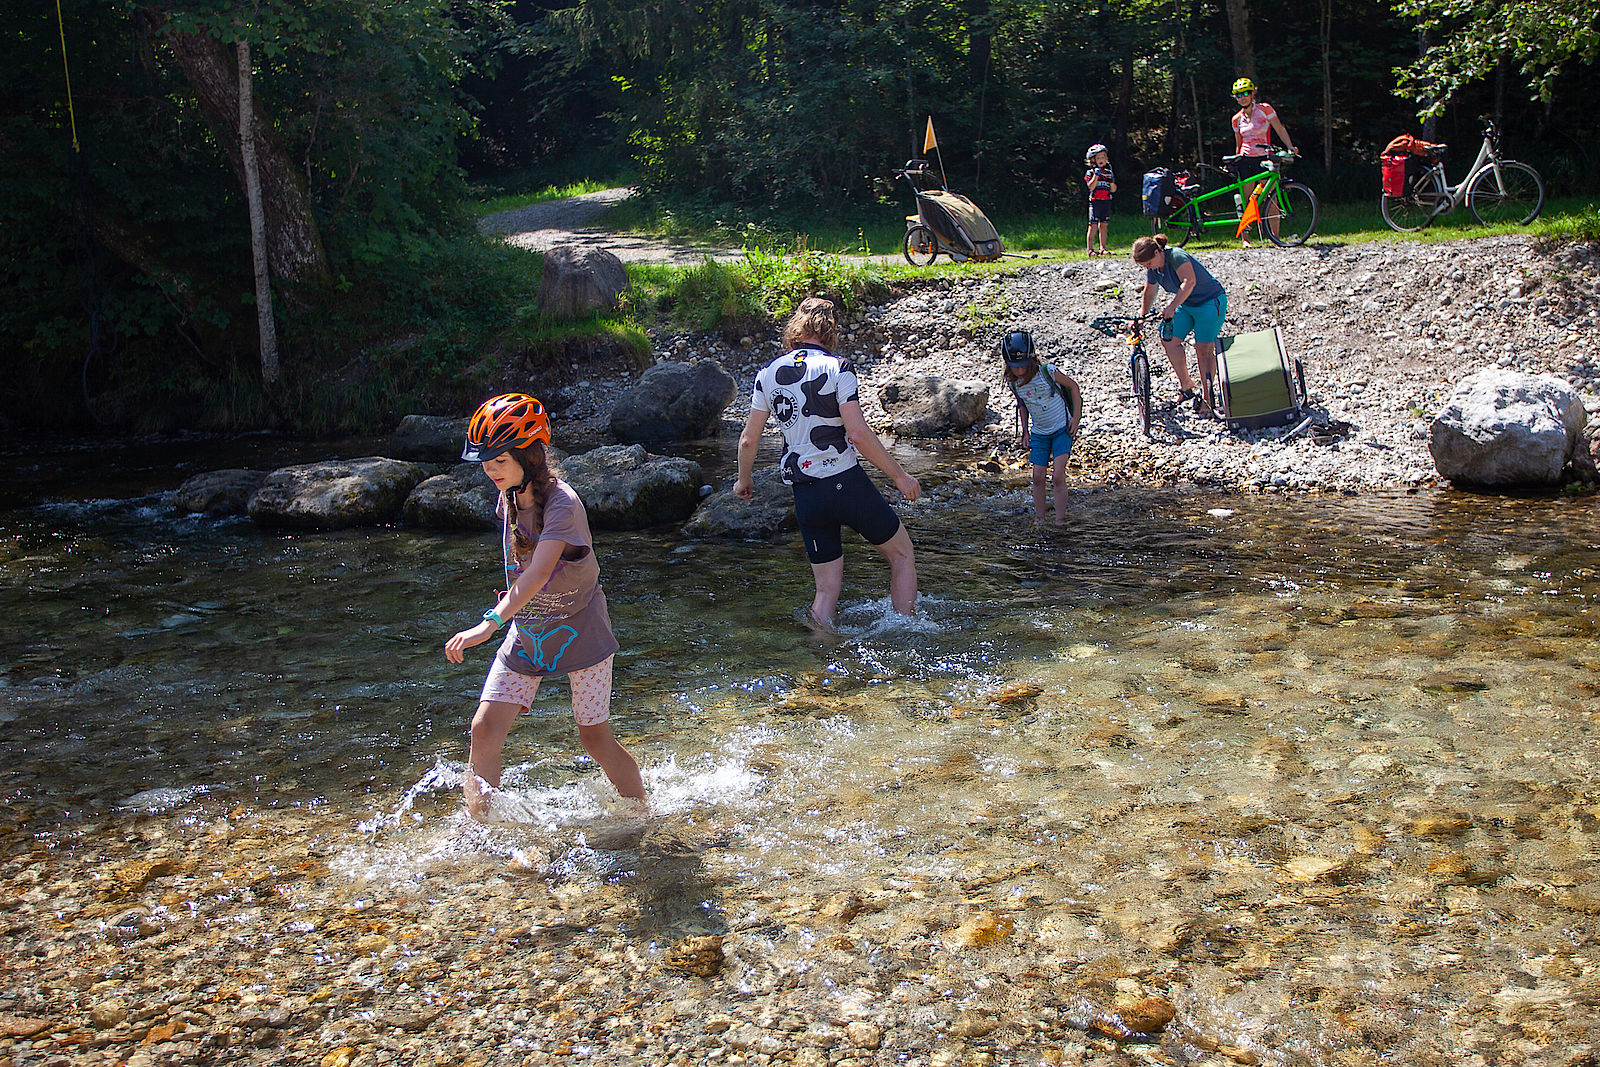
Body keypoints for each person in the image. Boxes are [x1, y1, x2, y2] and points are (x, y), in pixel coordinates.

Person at [444, 392, 645, 818]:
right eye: (486, 462)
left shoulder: (564, 505)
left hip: (581, 628)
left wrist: (489, 623)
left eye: (499, 460)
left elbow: (537, 572)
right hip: (531, 630)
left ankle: (643, 814)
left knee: (594, 739)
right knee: (483, 730)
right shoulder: (511, 496)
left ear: (530, 456)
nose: (489, 470)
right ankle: (480, 828)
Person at [735, 295, 921, 630]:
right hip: (845, 483)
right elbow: (859, 435)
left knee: (826, 590)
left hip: (806, 494)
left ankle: (817, 669)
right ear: (830, 329)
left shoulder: (766, 375)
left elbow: (749, 439)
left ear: (796, 327)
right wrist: (900, 476)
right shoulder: (838, 368)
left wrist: (743, 479)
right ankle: (906, 638)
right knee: (902, 555)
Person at [1132, 234, 1228, 416]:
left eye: (1148, 263)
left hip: (1210, 302)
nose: (1147, 267)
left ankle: (1208, 398)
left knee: (1203, 349)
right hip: (1188, 305)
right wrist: (1141, 317)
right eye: (1143, 266)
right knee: (1168, 338)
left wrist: (1172, 306)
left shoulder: (1176, 256)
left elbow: (1189, 281)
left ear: (1157, 252)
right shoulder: (1153, 269)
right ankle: (1187, 385)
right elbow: (1150, 291)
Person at [1000, 328, 1082, 525]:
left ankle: (1060, 520)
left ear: (1032, 360)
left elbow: (1074, 387)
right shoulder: (1015, 384)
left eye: (1023, 366)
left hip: (1062, 429)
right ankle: (1040, 518)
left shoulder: (1048, 372)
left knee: (1057, 475)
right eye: (1015, 367)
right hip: (1039, 433)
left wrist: (1076, 418)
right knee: (1037, 477)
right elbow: (1023, 406)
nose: (1019, 371)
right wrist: (1025, 431)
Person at [1228, 77, 1297, 243]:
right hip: (1246, 161)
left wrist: (1290, 147)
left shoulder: (1264, 109)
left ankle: (1275, 238)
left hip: (1264, 159)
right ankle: (1246, 239)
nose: (1242, 97)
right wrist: (1234, 161)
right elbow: (1239, 144)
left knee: (1272, 198)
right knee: (1247, 201)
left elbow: (1279, 128)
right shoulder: (1236, 119)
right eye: (1238, 95)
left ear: (1253, 94)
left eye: (1246, 93)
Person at [1083, 144, 1117, 257]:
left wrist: (1111, 180)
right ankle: (1090, 249)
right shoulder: (1090, 173)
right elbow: (1091, 186)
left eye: (1103, 157)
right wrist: (1096, 175)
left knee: (1104, 225)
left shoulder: (1108, 172)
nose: (1101, 160)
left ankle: (1103, 248)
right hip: (1095, 202)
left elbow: (1113, 189)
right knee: (1092, 225)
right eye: (1098, 158)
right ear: (1093, 160)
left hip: (1106, 201)